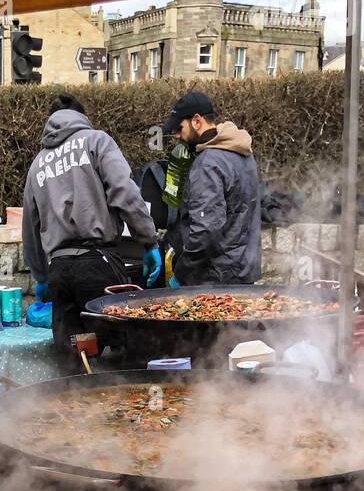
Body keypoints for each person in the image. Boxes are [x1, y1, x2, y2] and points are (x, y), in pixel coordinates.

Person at [23, 93, 161, 351]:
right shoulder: (97, 141)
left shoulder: (37, 164)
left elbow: (30, 228)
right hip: (98, 264)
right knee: (117, 353)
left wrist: (40, 275)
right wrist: (149, 241)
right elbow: (125, 192)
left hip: (59, 270)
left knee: (73, 354)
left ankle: (73, 389)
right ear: (82, 117)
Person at [162, 91, 261, 287]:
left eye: (179, 128)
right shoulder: (242, 154)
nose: (176, 135)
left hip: (214, 279)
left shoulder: (208, 163)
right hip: (244, 271)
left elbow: (205, 229)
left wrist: (181, 274)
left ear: (197, 121)